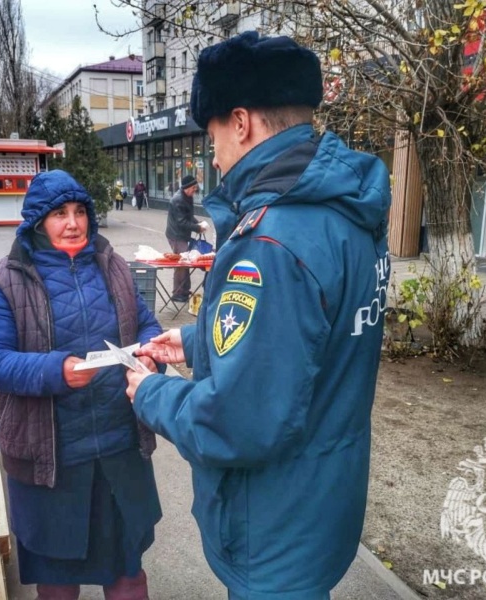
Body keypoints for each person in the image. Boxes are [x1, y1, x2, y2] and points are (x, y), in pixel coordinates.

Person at [125, 31, 391, 600]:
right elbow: (304, 343)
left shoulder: (271, 240)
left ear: (241, 122)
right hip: (321, 505)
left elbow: (236, 421)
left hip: (273, 528)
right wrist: (196, 343)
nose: (212, 151)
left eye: (213, 132)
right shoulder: (344, 213)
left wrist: (149, 393)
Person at [0, 169, 163, 600]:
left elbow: (147, 323)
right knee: (58, 581)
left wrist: (151, 351)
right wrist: (56, 371)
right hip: (51, 462)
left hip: (118, 451)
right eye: (60, 213)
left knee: (127, 573)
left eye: (80, 211)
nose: (73, 222)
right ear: (37, 222)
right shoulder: (5, 279)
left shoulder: (113, 265)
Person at [165, 174, 208, 302]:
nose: (195, 190)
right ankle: (178, 293)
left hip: (181, 234)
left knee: (185, 263)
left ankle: (184, 290)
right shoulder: (178, 200)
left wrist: (198, 223)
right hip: (176, 235)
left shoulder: (186, 197)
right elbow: (181, 222)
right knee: (181, 264)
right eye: (194, 187)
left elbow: (189, 216)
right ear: (187, 188)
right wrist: (197, 228)